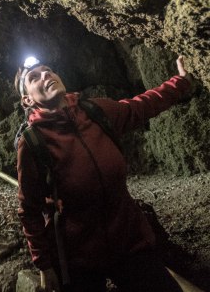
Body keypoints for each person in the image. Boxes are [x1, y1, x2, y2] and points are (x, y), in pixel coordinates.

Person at [14, 55, 194, 292]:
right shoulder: (33, 142)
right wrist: (44, 266)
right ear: (27, 99)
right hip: (78, 256)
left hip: (129, 240)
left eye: (48, 70)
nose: (45, 75)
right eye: (34, 77)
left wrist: (181, 82)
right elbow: (29, 210)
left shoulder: (95, 112)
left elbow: (140, 106)